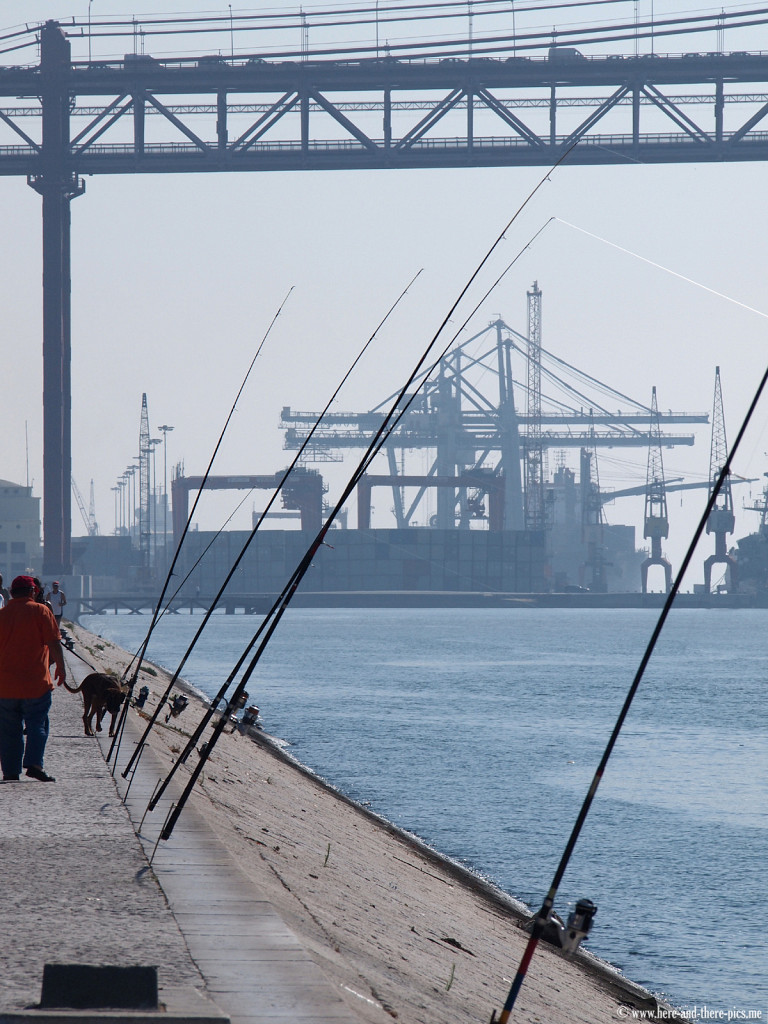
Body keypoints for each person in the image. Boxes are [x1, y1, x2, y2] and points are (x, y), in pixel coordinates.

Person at [0, 575, 66, 783]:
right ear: (33, 592)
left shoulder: (2, 614)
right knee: (38, 724)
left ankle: (11, 771)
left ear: (11, 593)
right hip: (36, 682)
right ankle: (34, 765)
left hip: (6, 685)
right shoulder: (41, 611)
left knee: (9, 730)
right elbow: (54, 642)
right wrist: (61, 669)